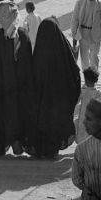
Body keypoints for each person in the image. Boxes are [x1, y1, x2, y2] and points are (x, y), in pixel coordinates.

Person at [0, 0, 35, 161]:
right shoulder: (21, 35)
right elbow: (27, 64)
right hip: (16, 89)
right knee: (15, 115)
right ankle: (16, 143)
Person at [28, 18, 81, 159]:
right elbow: (75, 73)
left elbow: (32, 79)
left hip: (42, 103)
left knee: (43, 123)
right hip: (60, 103)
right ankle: (53, 150)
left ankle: (42, 150)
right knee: (55, 124)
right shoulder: (63, 50)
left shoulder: (39, 53)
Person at [71, 0, 101, 73]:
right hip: (83, 33)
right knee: (84, 58)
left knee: (94, 57)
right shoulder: (79, 3)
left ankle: (94, 77)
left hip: (95, 33)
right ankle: (87, 79)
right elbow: (75, 20)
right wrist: (74, 35)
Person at [73, 67, 101, 143]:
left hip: (84, 117)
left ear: (85, 80)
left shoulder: (82, 91)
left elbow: (75, 101)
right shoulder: (98, 93)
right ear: (96, 80)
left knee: (83, 133)